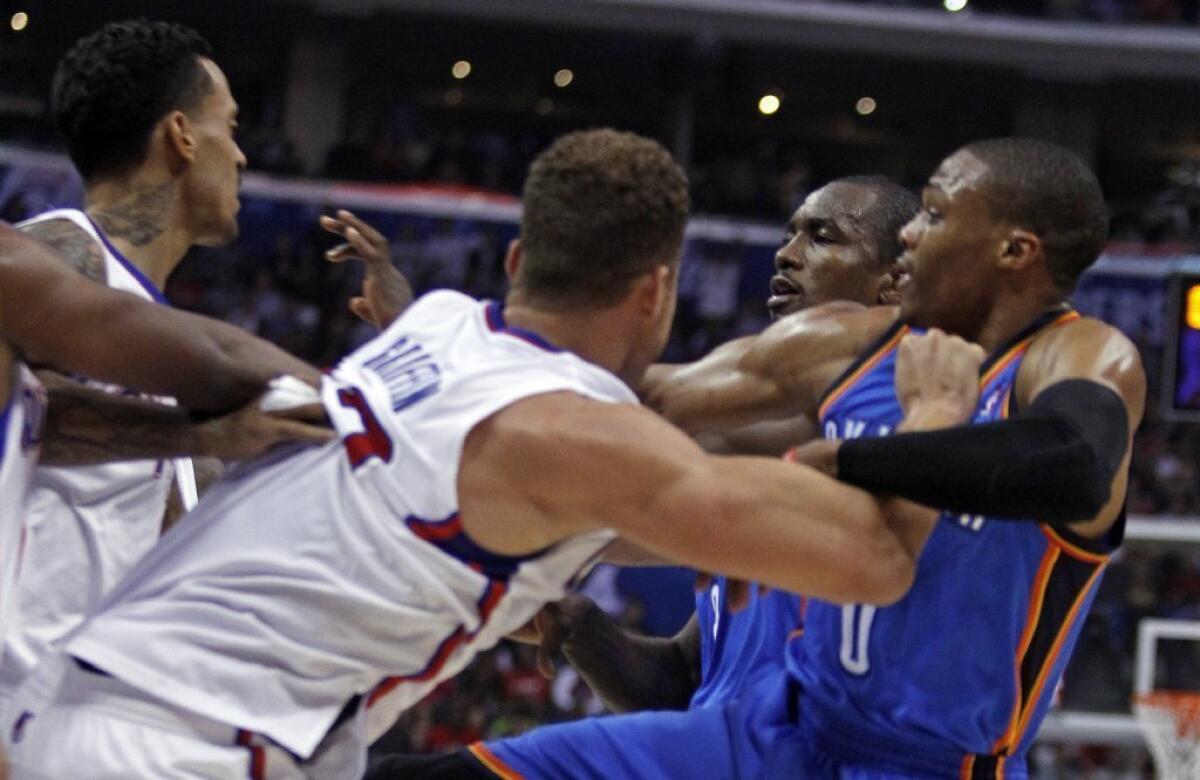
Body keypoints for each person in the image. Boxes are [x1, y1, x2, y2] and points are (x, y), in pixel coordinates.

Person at [3, 129, 979, 778]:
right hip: (184, 749)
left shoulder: (435, 326)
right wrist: (936, 413)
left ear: (515, 262)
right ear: (657, 293)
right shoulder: (578, 438)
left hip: (80, 710)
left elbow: (608, 527)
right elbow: (876, 560)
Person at [400, 137, 1142, 779]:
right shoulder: (847, 345)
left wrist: (849, 463)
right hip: (767, 739)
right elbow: (632, 393)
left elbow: (1078, 460)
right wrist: (434, 362)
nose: (912, 234)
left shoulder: (1073, 355)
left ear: (1014, 251)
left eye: (936, 214)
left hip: (929, 761)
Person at [0, 20, 383, 711]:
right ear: (180, 135)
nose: (238, 155)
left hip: (88, 731)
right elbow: (43, 413)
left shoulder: (164, 365)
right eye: (229, 128)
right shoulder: (56, 258)